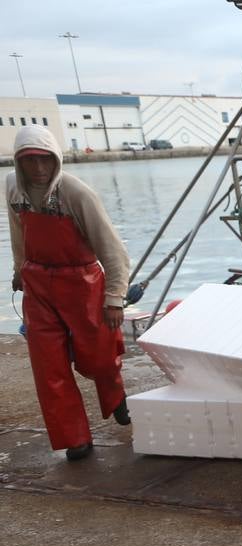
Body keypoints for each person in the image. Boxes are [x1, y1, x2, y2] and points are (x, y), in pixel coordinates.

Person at [7, 125, 132, 461]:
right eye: (29, 161)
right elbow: (17, 231)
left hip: (81, 282)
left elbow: (113, 250)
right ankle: (74, 438)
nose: (38, 168)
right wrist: (20, 270)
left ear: (55, 159)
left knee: (100, 358)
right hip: (38, 286)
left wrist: (115, 297)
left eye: (44, 159)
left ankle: (114, 395)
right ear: (19, 163)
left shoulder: (76, 193)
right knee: (49, 368)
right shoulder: (13, 189)